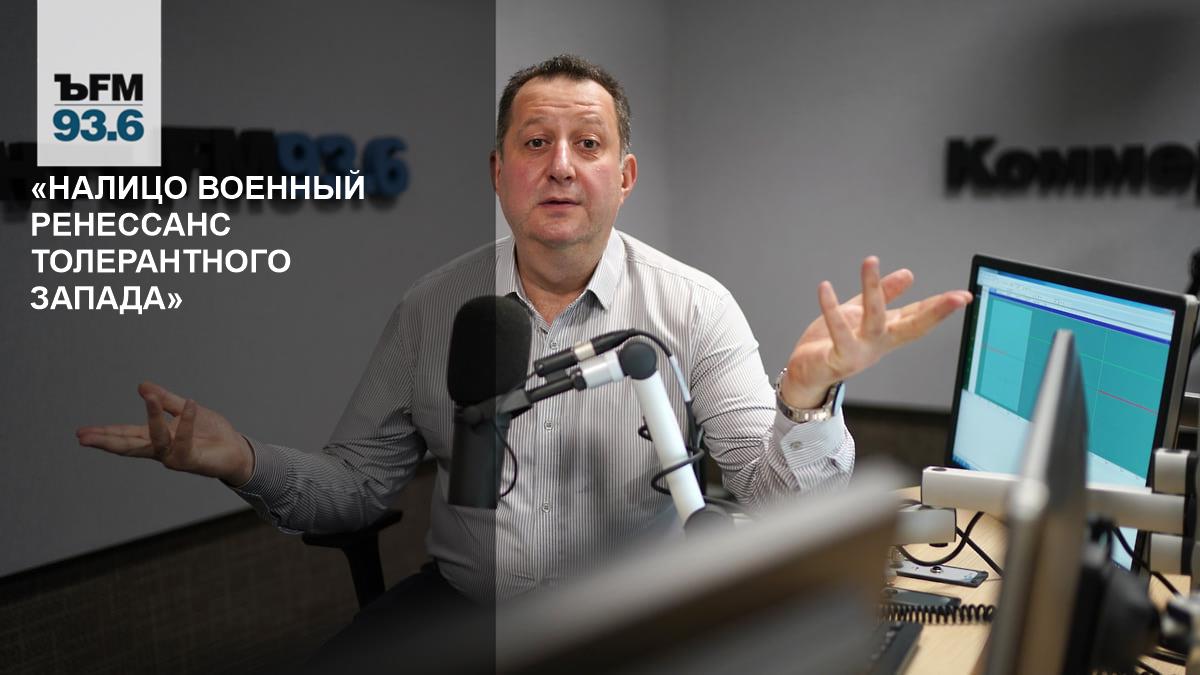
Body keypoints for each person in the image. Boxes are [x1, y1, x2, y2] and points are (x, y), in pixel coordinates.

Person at [78, 55, 971, 609]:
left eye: (588, 145)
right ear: (498, 171)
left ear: (625, 176)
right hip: (467, 610)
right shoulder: (431, 308)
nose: (561, 167)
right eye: (536, 143)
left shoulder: (694, 307)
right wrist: (242, 460)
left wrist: (806, 399)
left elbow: (778, 503)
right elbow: (354, 488)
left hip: (638, 618)